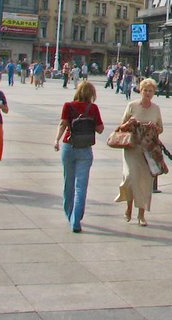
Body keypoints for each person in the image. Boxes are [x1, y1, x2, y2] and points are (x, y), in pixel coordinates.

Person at [54, 81, 104, 233]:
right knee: (81, 186)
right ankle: (77, 219)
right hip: (85, 149)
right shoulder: (93, 108)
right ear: (92, 94)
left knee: (68, 183)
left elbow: (63, 124)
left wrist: (56, 140)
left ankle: (69, 214)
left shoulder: (68, 106)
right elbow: (100, 129)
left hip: (69, 146)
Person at [115, 77, 164, 227]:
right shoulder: (132, 106)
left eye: (150, 91)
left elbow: (161, 128)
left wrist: (155, 128)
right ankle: (129, 206)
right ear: (140, 91)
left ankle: (141, 214)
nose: (147, 93)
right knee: (131, 177)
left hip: (148, 150)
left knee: (144, 182)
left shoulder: (156, 109)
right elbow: (120, 127)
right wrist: (129, 123)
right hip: (132, 148)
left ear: (154, 93)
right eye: (145, 90)